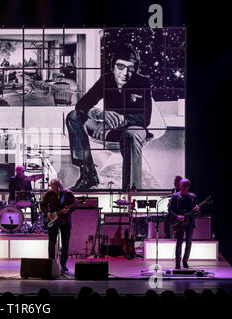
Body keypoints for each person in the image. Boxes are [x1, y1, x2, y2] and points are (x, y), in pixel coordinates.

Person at [66, 43, 152, 191]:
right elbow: (82, 105)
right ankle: (88, 175)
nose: (124, 73)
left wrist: (119, 121)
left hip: (133, 129)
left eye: (130, 68)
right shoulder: (106, 80)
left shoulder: (142, 82)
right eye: (120, 66)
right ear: (113, 66)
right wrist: (99, 114)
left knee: (130, 134)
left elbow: (145, 117)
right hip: (107, 127)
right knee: (73, 116)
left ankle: (131, 189)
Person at [41, 178, 77, 274]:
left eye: (56, 187)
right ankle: (51, 263)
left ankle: (63, 264)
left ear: (60, 185)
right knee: (51, 242)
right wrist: (47, 212)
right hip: (53, 221)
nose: (54, 189)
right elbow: (43, 205)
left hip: (65, 221)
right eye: (52, 187)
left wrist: (68, 210)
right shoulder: (49, 193)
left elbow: (75, 205)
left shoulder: (68, 193)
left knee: (65, 243)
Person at [168, 178, 200, 269]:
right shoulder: (175, 196)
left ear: (188, 186)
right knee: (179, 242)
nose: (183, 187)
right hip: (179, 222)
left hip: (190, 222)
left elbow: (196, 211)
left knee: (189, 242)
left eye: (185, 185)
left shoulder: (193, 196)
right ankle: (177, 262)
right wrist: (177, 216)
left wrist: (198, 209)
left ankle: (185, 261)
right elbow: (170, 209)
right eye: (181, 185)